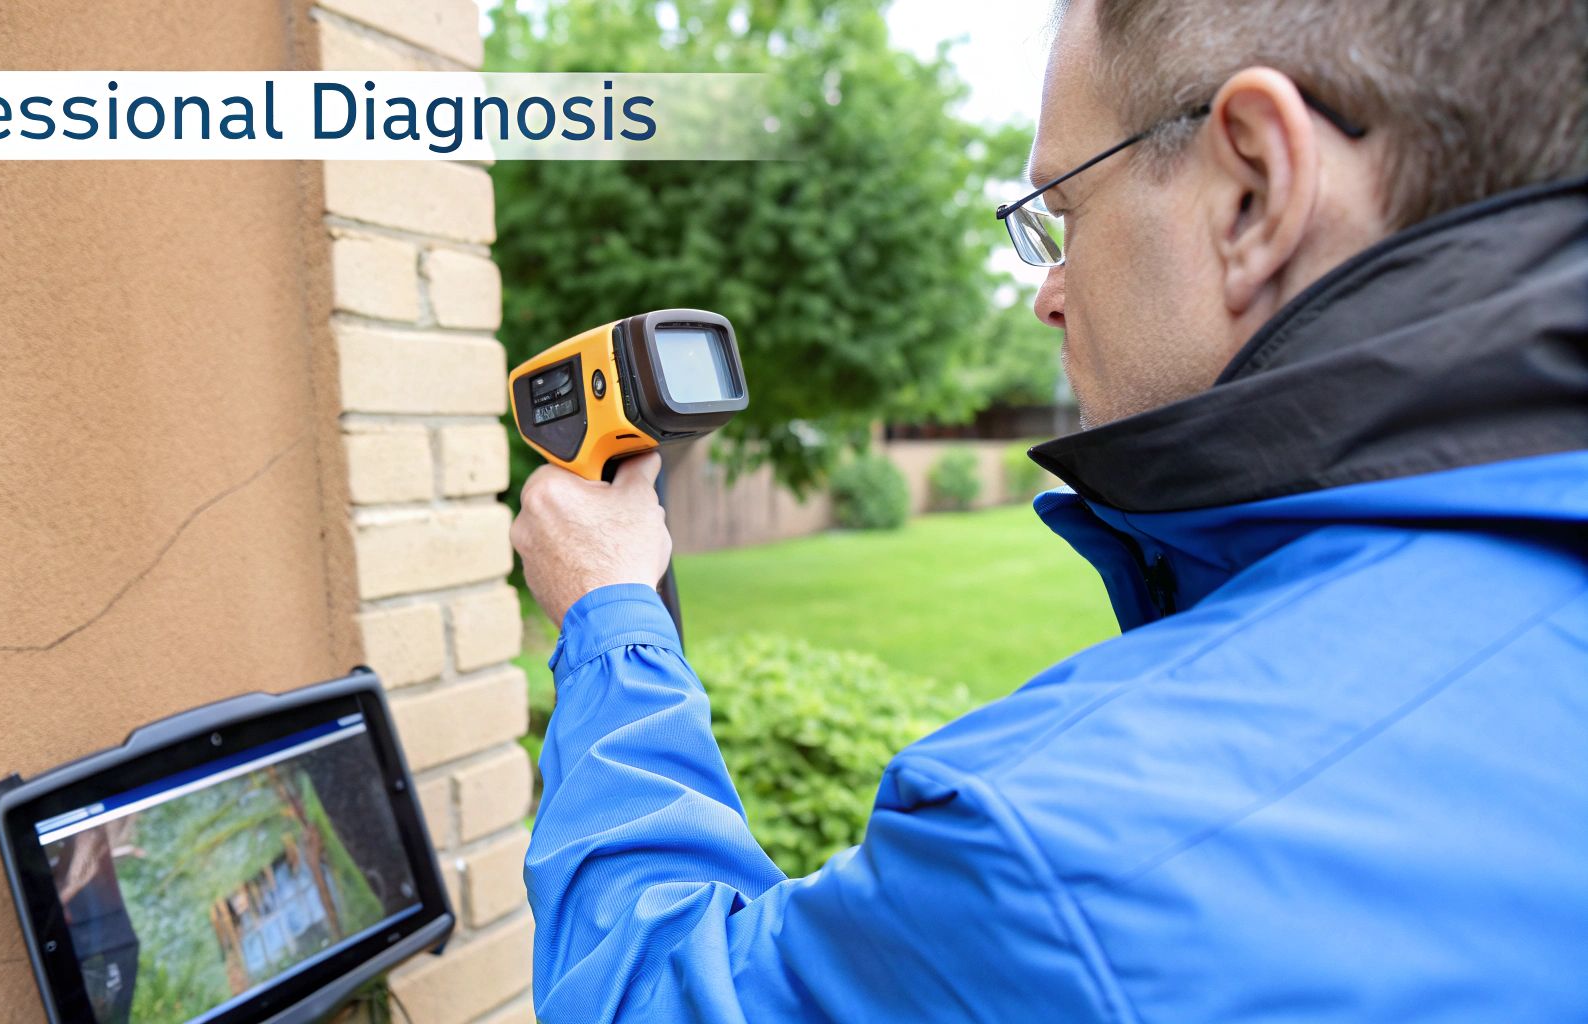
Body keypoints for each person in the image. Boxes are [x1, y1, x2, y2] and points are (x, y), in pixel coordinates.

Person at [507, 0, 1588, 1018]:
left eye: (1061, 209)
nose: (1046, 291)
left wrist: (609, 618)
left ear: (1252, 189)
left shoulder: (1057, 847)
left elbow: (651, 992)